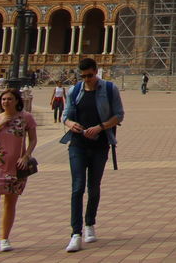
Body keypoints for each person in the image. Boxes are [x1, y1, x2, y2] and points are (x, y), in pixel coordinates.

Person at [61, 57, 124, 253]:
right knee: (77, 187)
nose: (87, 79)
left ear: (96, 71)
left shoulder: (109, 89)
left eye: (90, 75)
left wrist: (100, 127)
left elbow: (119, 115)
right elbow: (66, 116)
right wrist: (71, 124)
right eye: (84, 76)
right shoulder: (75, 91)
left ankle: (90, 223)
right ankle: (75, 233)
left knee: (93, 187)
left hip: (100, 145)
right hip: (77, 144)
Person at [0, 89, 37, 256]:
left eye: (9, 99)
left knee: (10, 203)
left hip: (18, 166)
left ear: (17, 100)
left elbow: (33, 139)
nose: (6, 102)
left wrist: (26, 156)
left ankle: (5, 238)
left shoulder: (26, 117)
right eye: (3, 99)